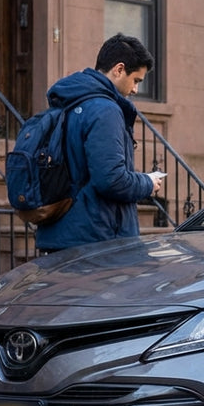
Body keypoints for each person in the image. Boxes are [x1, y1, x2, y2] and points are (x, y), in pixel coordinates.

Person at [34, 33, 164, 253]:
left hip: (61, 236)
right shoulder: (105, 110)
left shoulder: (68, 102)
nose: (135, 90)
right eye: (136, 80)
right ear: (119, 69)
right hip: (98, 242)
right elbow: (111, 180)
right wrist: (147, 183)